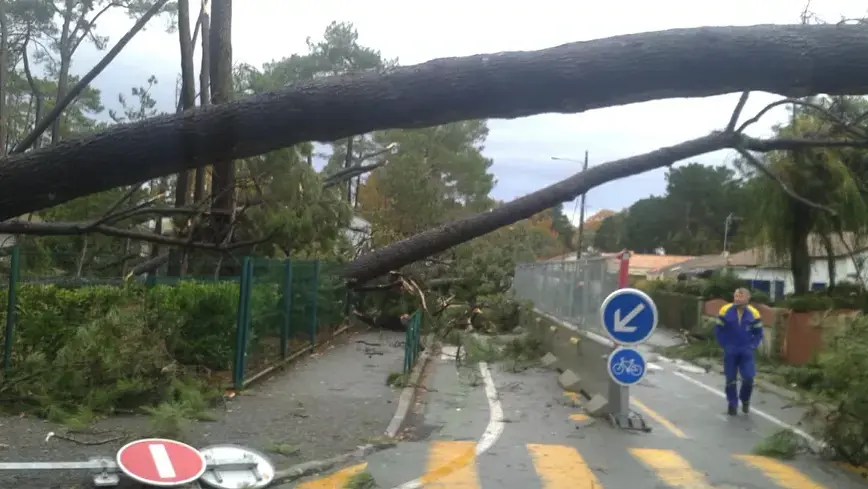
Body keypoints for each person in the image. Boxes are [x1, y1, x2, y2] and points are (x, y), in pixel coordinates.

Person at [715, 288, 764, 416]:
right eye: (736, 296)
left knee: (748, 378)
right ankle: (732, 404)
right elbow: (719, 329)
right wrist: (724, 344)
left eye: (740, 297)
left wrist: (753, 345)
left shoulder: (754, 313)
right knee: (730, 379)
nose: (737, 298)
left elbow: (758, 333)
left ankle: (745, 399)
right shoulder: (725, 310)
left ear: (747, 299)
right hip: (730, 349)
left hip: (746, 350)